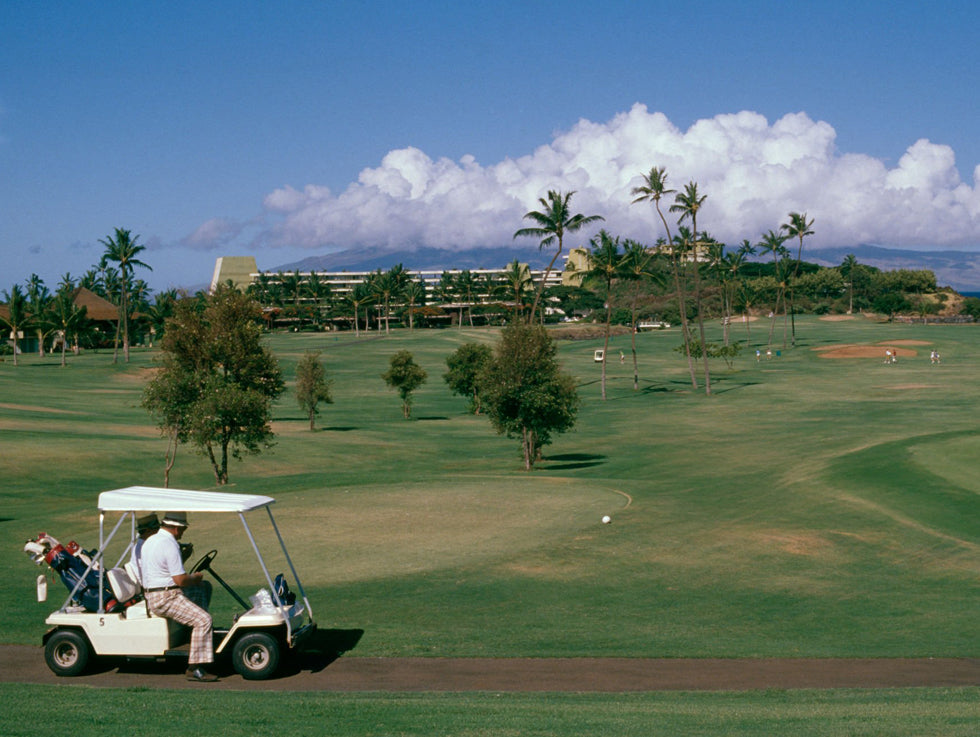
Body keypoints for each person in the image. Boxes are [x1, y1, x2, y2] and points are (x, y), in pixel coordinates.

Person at [140, 511, 218, 682]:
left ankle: (199, 637)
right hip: (166, 596)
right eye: (182, 529)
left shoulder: (150, 541)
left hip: (156, 593)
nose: (182, 533)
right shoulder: (169, 544)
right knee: (204, 619)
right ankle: (195, 667)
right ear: (175, 528)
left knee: (203, 588)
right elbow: (181, 580)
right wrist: (195, 578)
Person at [129, 512, 160, 585]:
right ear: (148, 531)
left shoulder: (142, 545)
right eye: (157, 529)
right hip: (149, 585)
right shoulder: (145, 547)